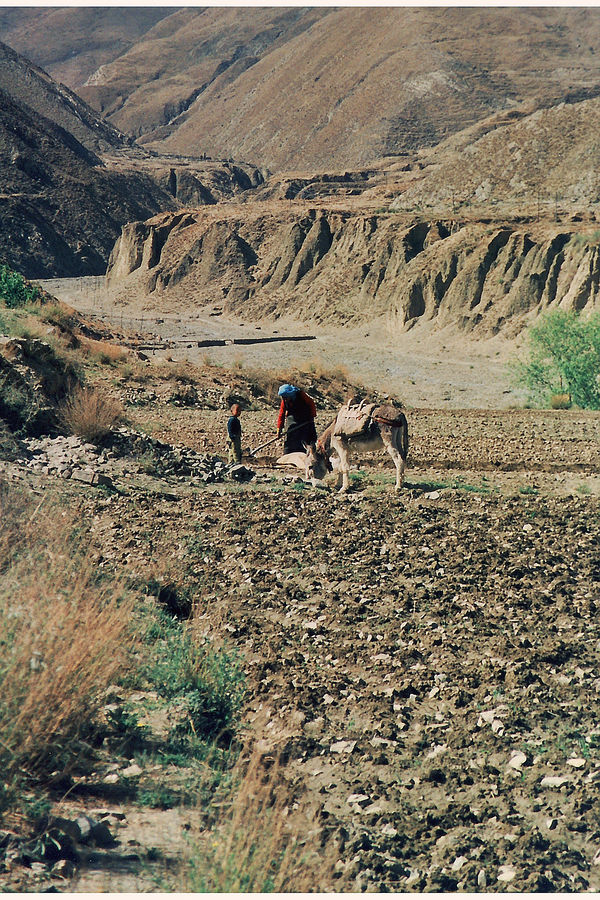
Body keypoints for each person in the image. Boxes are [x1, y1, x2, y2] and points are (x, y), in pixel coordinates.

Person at [276, 383, 317, 453]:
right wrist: (279, 429)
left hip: (305, 420)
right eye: (283, 398)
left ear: (290, 395)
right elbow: (281, 414)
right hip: (292, 419)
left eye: (285, 398)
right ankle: (288, 454)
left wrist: (312, 417)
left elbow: (311, 403)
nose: (284, 399)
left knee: (306, 440)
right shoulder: (284, 400)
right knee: (289, 439)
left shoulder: (301, 395)